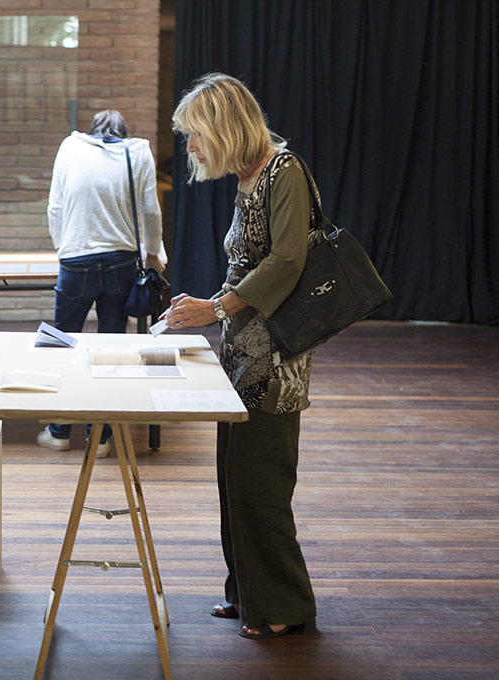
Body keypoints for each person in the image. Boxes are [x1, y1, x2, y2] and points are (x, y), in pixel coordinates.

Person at [165, 73, 319, 640]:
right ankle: (249, 594)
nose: (192, 149)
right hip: (243, 356)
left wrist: (216, 308)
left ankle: (284, 605)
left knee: (263, 483)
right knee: (236, 479)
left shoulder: (285, 170)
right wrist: (209, 305)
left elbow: (285, 263)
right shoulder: (250, 174)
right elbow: (250, 264)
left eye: (195, 136)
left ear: (221, 128)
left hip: (275, 361)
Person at [37, 109, 167, 458]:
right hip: (120, 263)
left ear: (93, 131)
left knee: (62, 344)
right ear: (122, 133)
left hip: (75, 260)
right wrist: (153, 253)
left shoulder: (70, 146)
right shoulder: (136, 151)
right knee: (112, 351)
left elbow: (54, 207)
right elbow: (151, 211)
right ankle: (101, 439)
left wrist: (64, 247)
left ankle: (59, 431)